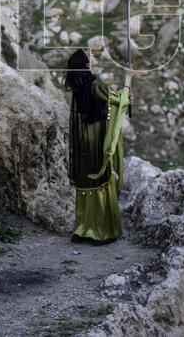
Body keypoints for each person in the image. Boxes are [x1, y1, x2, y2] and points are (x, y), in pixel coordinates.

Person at [65, 49, 131, 245]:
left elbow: (105, 104)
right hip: (97, 136)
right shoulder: (94, 84)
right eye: (90, 55)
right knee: (100, 178)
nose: (93, 57)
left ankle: (82, 229)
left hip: (83, 136)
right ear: (86, 64)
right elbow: (118, 101)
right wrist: (128, 79)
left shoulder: (78, 87)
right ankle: (100, 231)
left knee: (85, 181)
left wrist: (121, 101)